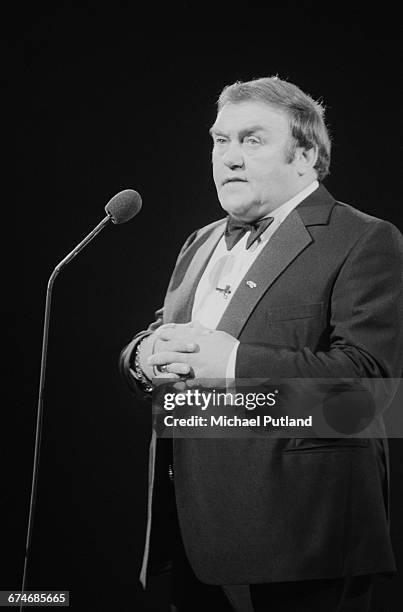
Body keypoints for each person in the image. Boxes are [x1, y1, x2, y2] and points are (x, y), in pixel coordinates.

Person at [120, 76, 403, 612]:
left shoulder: (364, 239)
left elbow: (368, 396)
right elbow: (164, 334)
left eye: (252, 140)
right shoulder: (199, 242)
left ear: (306, 154)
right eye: (219, 141)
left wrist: (229, 362)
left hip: (299, 543)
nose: (228, 157)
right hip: (191, 538)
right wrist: (142, 357)